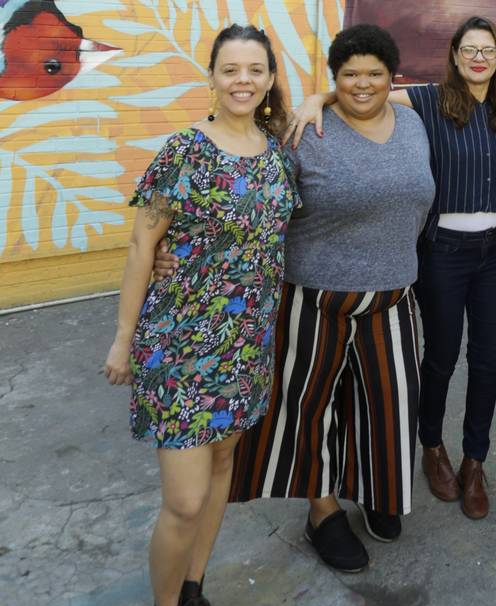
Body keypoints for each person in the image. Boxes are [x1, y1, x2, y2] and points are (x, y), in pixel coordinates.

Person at [157, 25, 435, 573]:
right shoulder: (303, 129)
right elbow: (249, 195)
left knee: (388, 403)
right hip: (313, 298)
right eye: (348, 75)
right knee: (310, 409)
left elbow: (439, 91)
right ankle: (322, 509)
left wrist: (324, 91)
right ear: (333, 78)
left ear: (391, 77)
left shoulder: (414, 123)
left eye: (375, 73)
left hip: (396, 294)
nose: (363, 84)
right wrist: (172, 243)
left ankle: (377, 489)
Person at [103, 25, 298, 606]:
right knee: (184, 500)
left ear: (270, 78)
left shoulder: (274, 151)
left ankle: (192, 595)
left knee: (221, 468)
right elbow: (142, 245)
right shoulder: (185, 151)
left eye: (255, 70)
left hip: (246, 345)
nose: (243, 80)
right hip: (179, 345)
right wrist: (123, 337)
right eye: (230, 69)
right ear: (211, 76)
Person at [290, 16, 496, 520]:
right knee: (439, 355)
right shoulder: (429, 101)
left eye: (489, 50)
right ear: (455, 56)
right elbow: (364, 90)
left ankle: (475, 462)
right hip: (443, 253)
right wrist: (315, 99)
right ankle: (432, 446)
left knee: (488, 361)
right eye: (470, 49)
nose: (479, 58)